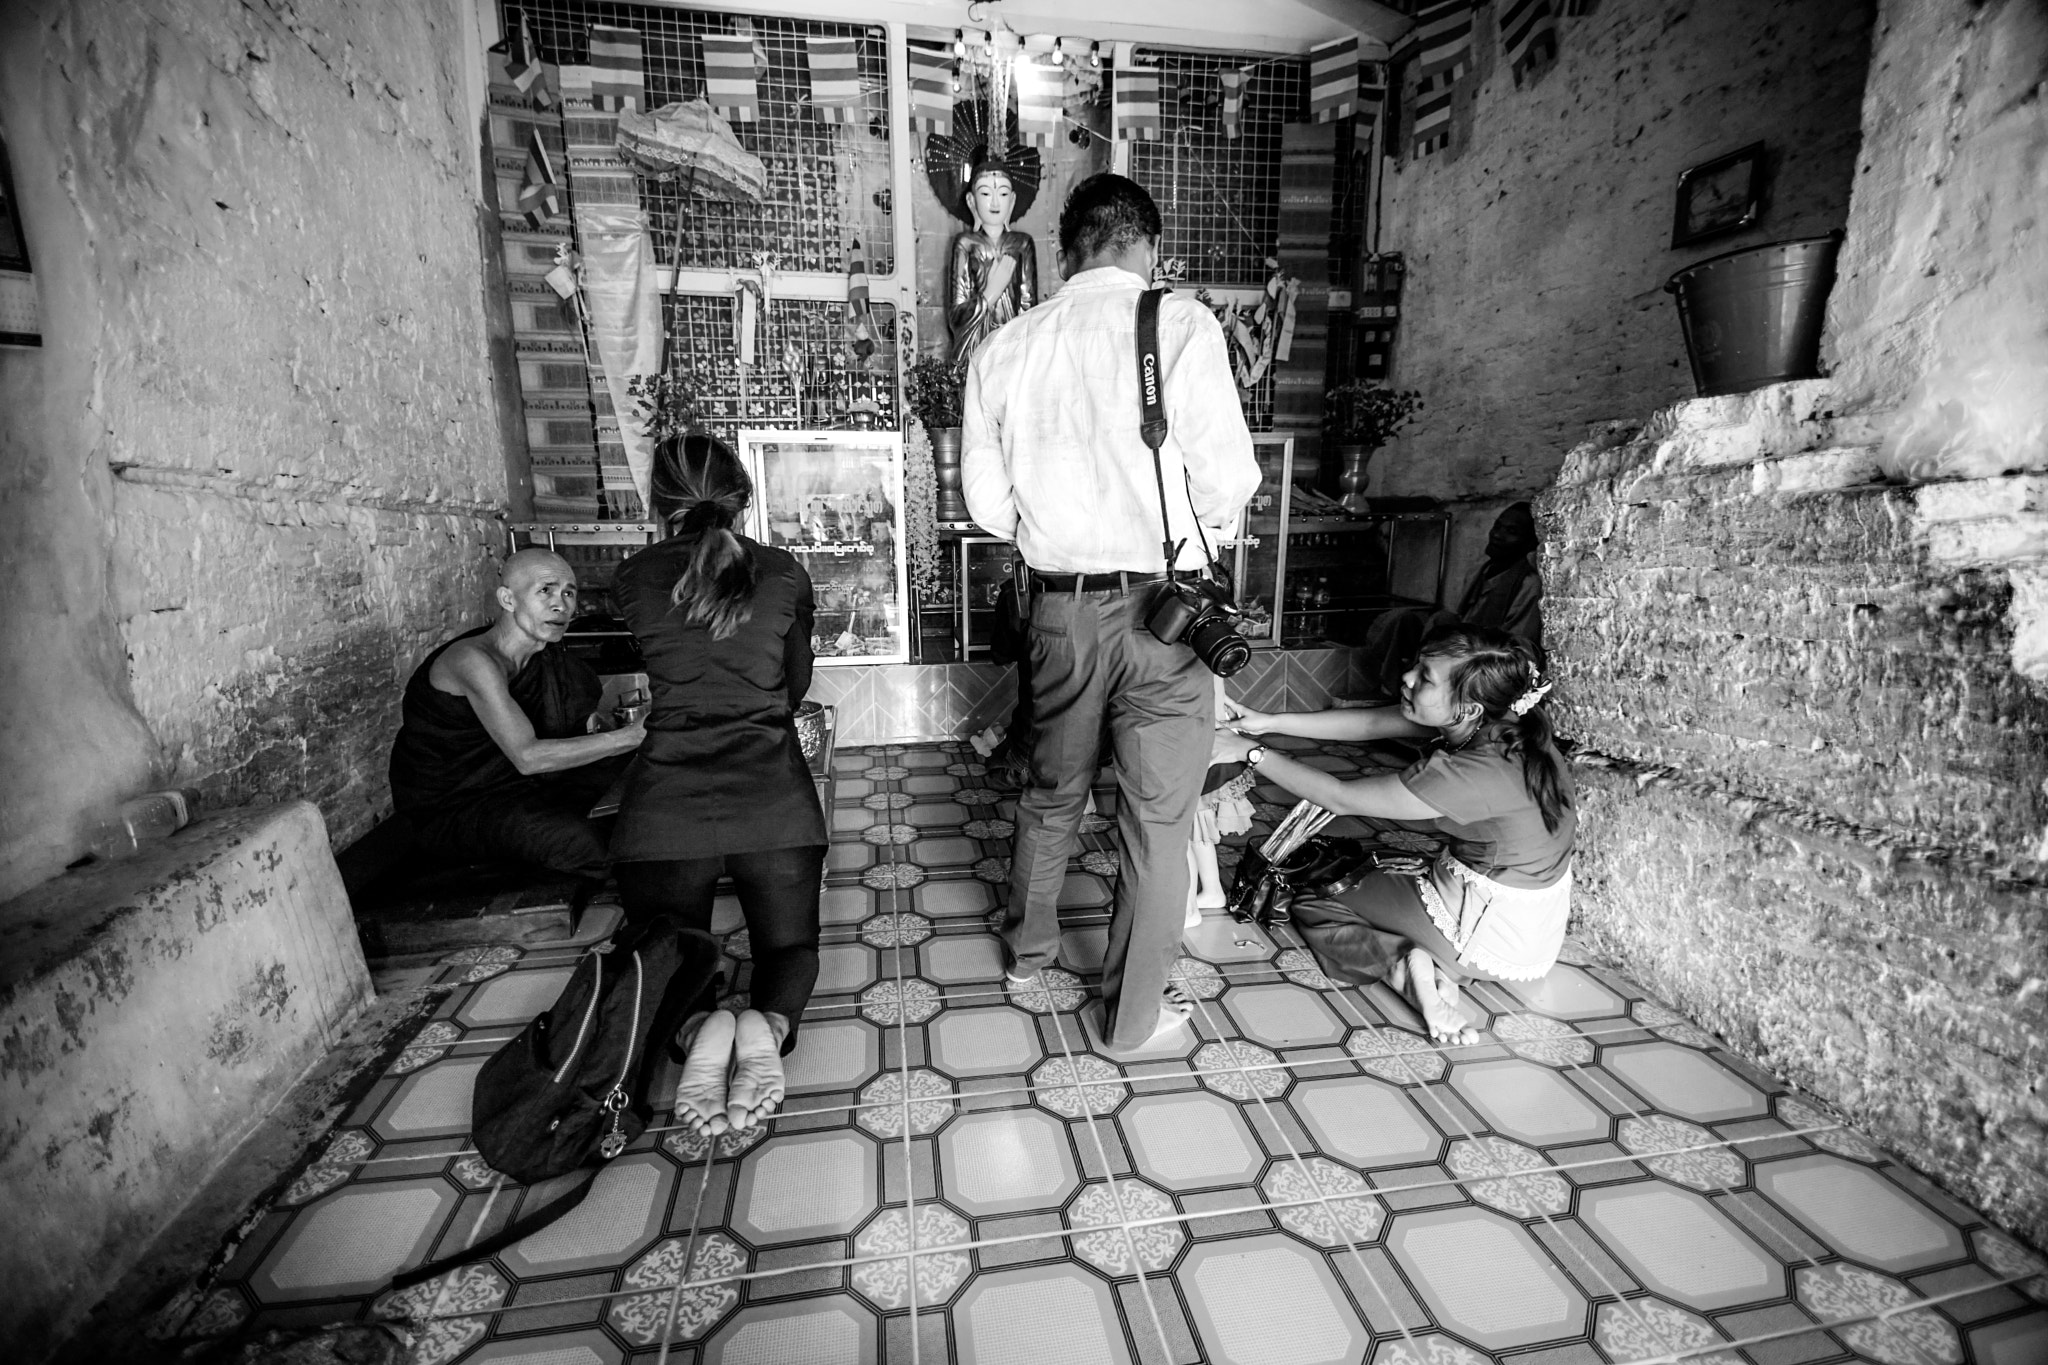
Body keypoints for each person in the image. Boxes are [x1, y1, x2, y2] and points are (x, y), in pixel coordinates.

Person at [963, 172, 1261, 1056]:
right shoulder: (1180, 323)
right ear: (1148, 247)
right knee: (1157, 819)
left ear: (1064, 250)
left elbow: (986, 504)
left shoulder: (1007, 346)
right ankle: (1132, 1016)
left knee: (1050, 794)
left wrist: (1058, 540)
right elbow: (1231, 479)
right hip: (1168, 618)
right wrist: (1182, 547)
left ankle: (1028, 952)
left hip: (1060, 611)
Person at [609, 432, 828, 1137]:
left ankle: (700, 1027)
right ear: (743, 496)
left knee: (668, 949)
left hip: (663, 812)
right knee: (788, 949)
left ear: (660, 502)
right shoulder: (784, 571)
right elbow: (795, 687)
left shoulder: (633, 576)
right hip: (774, 802)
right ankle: (767, 1024)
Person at [1210, 623, 1575, 1045]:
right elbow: (1371, 725)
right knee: (1370, 865)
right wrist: (1268, 722)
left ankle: (1409, 966)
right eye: (1417, 666)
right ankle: (1438, 966)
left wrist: (1249, 752)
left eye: (1425, 678)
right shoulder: (1504, 720)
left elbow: (1340, 797)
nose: (1407, 678)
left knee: (1316, 891)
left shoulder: (1470, 774)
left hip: (1486, 936)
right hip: (1531, 925)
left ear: (1467, 707)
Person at [388, 548, 644, 906]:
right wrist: (630, 736)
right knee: (588, 843)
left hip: (524, 788)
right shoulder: (472, 660)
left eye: (569, 593)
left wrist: (626, 737)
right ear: (507, 599)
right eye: (546, 591)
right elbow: (528, 757)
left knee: (637, 780)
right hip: (460, 806)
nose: (562, 605)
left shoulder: (546, 659)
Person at [947, 156, 1040, 381]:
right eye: (986, 194)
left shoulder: (1022, 244)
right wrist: (991, 293)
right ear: (971, 201)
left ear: (1013, 200)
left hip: (1013, 353)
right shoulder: (965, 244)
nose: (995, 203)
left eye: (1003, 194)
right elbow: (956, 316)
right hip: (976, 352)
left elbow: (1029, 310)